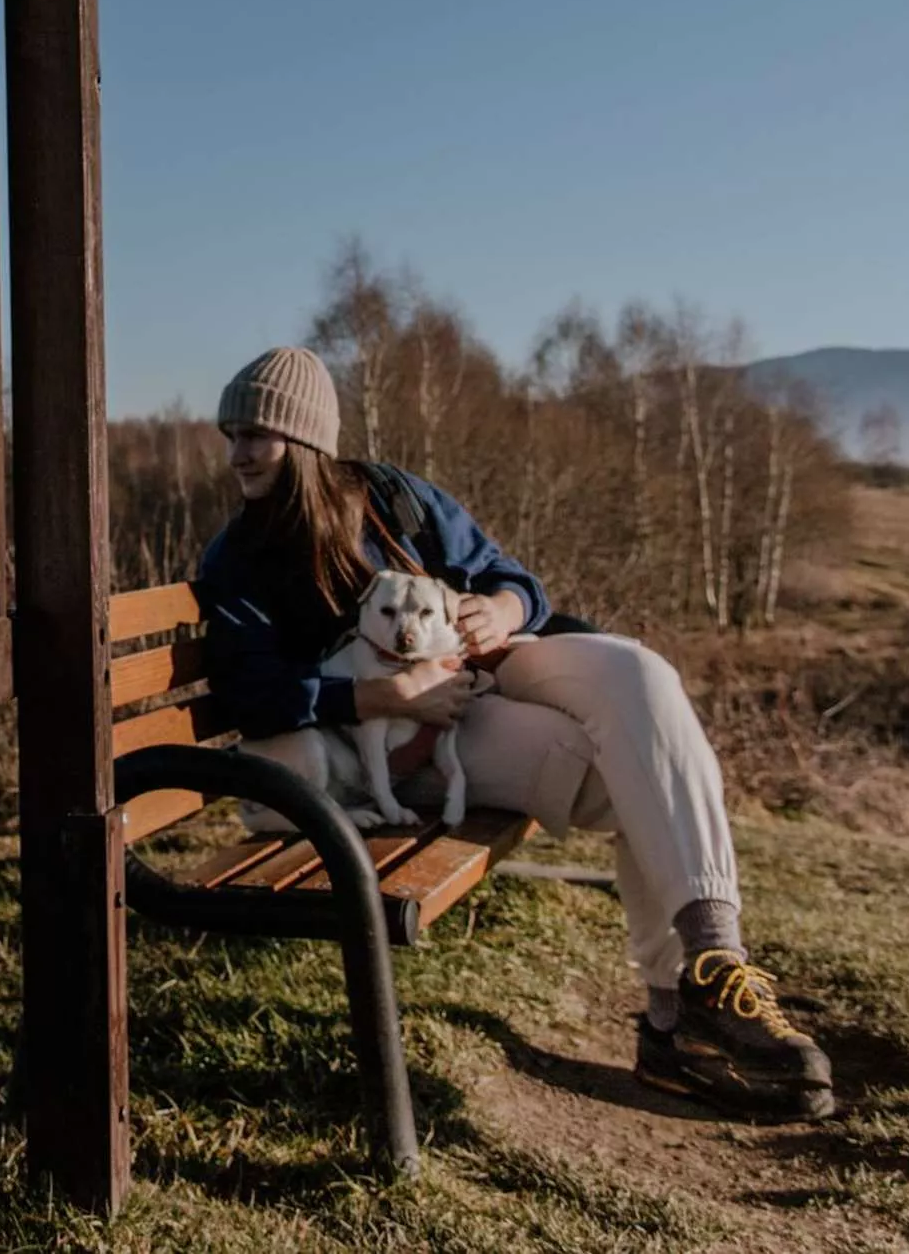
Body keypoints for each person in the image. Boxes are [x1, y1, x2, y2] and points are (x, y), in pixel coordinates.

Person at [192, 346, 834, 1121]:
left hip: (493, 668)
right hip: (400, 746)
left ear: (304, 438)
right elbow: (250, 692)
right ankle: (676, 1023)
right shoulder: (242, 557)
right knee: (636, 775)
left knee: (642, 676)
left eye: (254, 433)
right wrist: (374, 693)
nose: (237, 453)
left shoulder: (394, 495)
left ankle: (714, 962)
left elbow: (515, 579)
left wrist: (500, 608)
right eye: (231, 434)